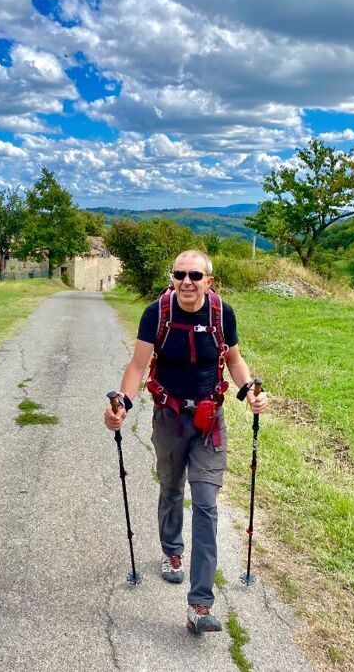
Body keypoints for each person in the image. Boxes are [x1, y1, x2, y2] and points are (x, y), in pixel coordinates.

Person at [104, 250, 267, 634]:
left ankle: (200, 604)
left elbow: (234, 360)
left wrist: (250, 392)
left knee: (207, 505)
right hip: (169, 418)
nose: (187, 281)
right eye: (180, 274)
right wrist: (123, 405)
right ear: (173, 277)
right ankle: (172, 551)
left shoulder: (221, 313)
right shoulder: (156, 313)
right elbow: (137, 366)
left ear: (209, 281)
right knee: (172, 488)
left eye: (196, 275)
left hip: (209, 421)